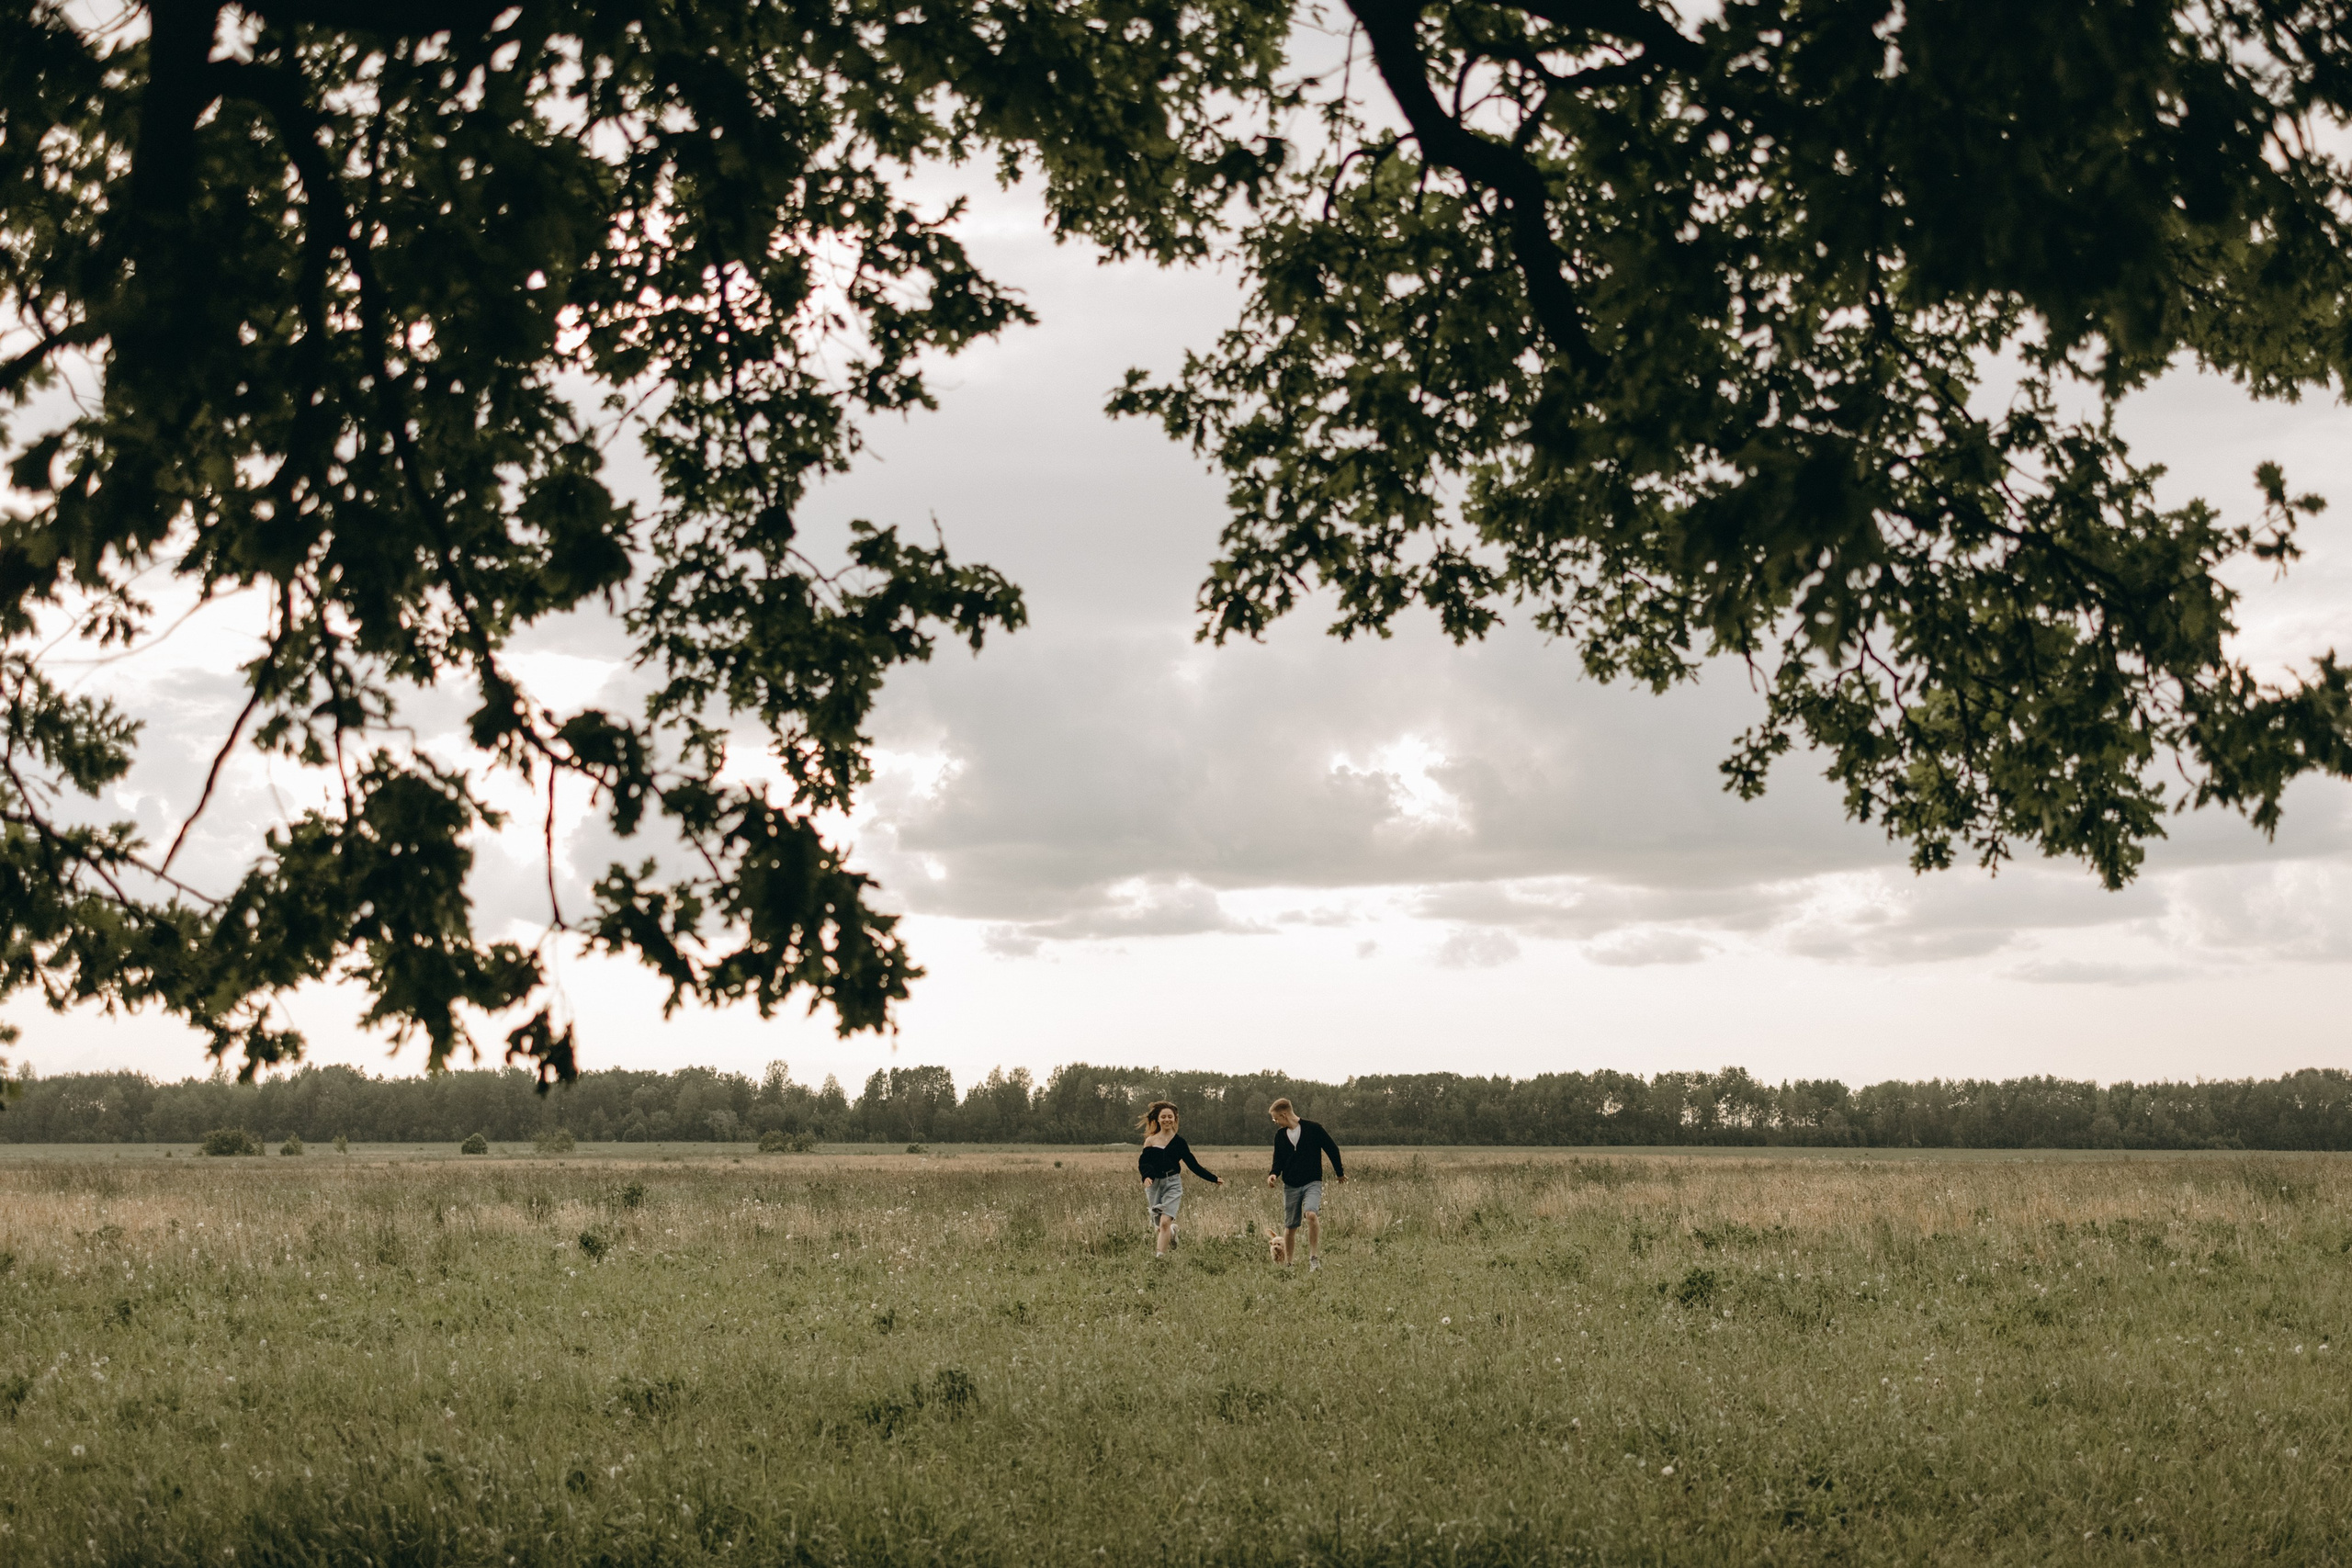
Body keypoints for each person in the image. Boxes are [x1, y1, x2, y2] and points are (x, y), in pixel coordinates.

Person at [1265, 1097, 1343, 1270]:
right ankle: (1289, 1264)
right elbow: (1278, 1160)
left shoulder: (1314, 1129)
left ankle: (1313, 1259)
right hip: (1290, 1185)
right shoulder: (1280, 1136)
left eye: (1276, 1118)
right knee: (1290, 1227)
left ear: (1284, 1114)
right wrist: (1273, 1174)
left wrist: (1339, 1173)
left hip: (1312, 1182)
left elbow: (1332, 1149)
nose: (1275, 1121)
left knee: (1311, 1215)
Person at [1136, 1101, 1221, 1258]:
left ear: (1175, 1119)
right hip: (1154, 1185)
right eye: (1164, 1117)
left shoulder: (1179, 1142)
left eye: (1170, 1116)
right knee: (1159, 1226)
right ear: (1158, 1119)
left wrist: (1213, 1178)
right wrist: (1146, 1176)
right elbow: (1144, 1162)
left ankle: (1159, 1258)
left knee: (1164, 1223)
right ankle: (1173, 1232)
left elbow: (1193, 1164)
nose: (1167, 1119)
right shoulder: (1150, 1141)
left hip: (1172, 1184)